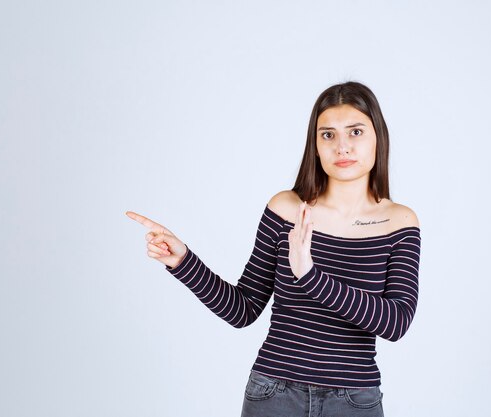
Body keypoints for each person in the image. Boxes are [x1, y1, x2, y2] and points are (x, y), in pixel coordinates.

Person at [125, 81, 421, 417]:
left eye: (355, 132)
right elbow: (243, 309)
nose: (342, 147)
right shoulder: (285, 209)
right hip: (274, 393)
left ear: (377, 137)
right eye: (328, 135)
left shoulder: (399, 222)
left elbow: (395, 322)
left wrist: (310, 277)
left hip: (353, 400)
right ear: (315, 145)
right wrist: (183, 261)